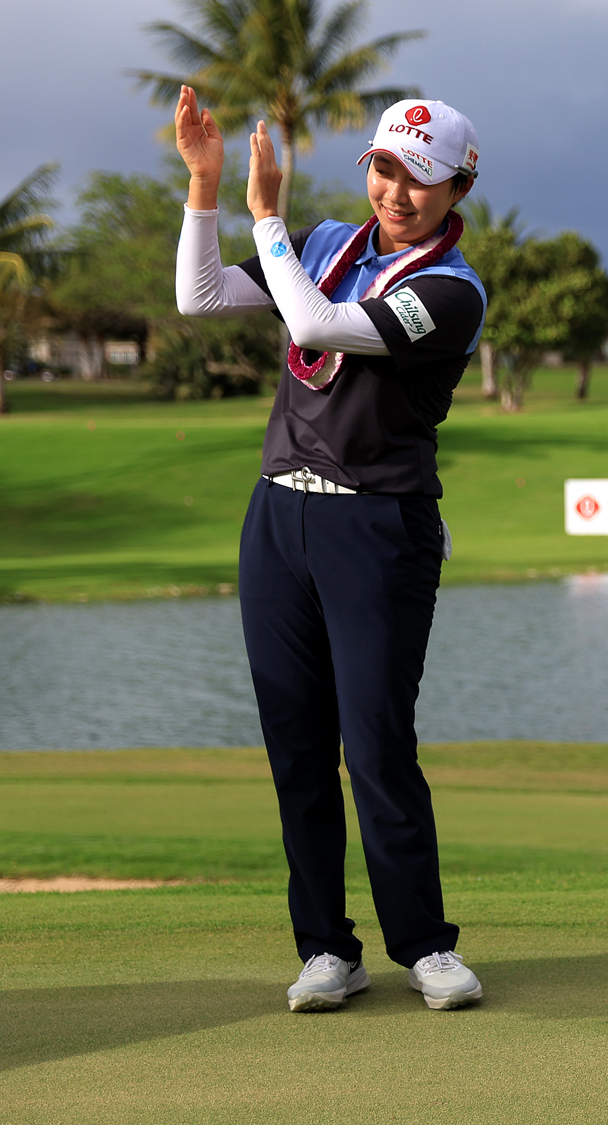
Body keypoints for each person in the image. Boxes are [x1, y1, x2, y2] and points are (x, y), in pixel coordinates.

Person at [171, 86, 488, 1012]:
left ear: (457, 187)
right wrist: (206, 189)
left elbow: (313, 325)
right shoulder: (321, 246)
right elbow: (200, 296)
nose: (396, 192)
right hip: (279, 519)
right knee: (296, 745)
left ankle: (425, 946)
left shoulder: (449, 293)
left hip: (378, 526)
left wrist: (265, 215)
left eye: (420, 178)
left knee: (377, 744)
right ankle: (326, 950)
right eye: (385, 168)